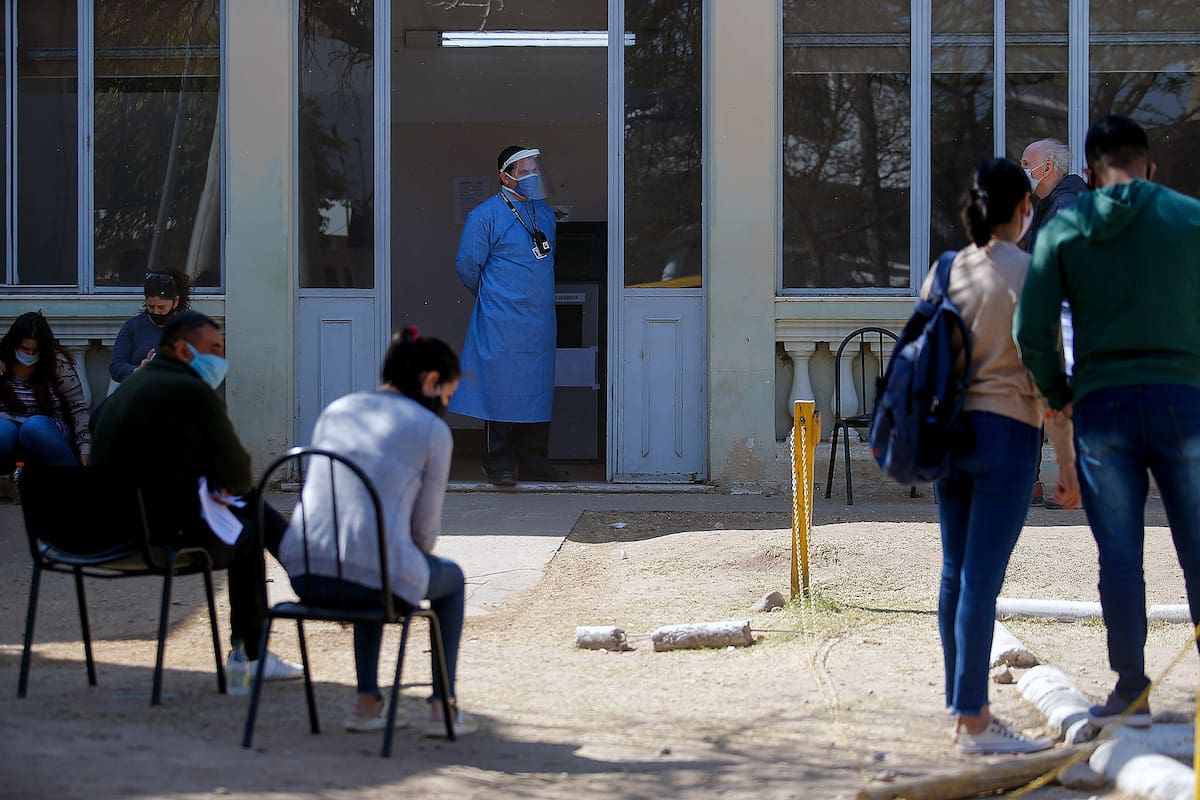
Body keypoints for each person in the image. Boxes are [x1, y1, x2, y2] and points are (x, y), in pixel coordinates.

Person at [1015, 115, 1200, 729]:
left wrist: (1059, 399)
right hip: (1184, 403)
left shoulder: (1067, 225)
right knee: (1197, 546)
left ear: (1089, 174)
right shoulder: (1188, 218)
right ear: (1150, 167)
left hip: (1102, 407)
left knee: (1119, 553)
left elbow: (1032, 329)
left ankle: (1131, 689)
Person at [932, 158, 1080, 755]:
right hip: (1009, 437)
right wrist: (1066, 463)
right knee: (980, 583)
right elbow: (1050, 379)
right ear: (1025, 209)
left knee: (953, 574)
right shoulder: (1035, 273)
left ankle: (961, 706)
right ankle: (974, 722)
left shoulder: (946, 270)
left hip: (950, 436)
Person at [279, 328, 476, 736]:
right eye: (447, 394)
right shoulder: (430, 430)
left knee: (375, 558)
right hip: (372, 582)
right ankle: (443, 708)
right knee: (446, 576)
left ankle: (367, 702)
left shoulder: (337, 409)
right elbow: (424, 535)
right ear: (428, 382)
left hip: (304, 574)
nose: (445, 405)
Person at [90, 310, 302, 681]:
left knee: (245, 501)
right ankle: (252, 651)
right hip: (156, 537)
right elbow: (237, 471)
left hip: (102, 532)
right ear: (184, 351)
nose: (220, 358)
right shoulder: (191, 391)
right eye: (214, 349)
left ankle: (304, 564)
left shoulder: (131, 388)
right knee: (247, 528)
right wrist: (221, 481)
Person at [450, 145, 568, 486]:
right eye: (524, 171)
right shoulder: (485, 215)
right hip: (500, 318)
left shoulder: (544, 214)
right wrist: (493, 298)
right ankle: (499, 461)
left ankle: (534, 459)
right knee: (499, 387)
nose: (531, 176)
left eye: (534, 170)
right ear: (505, 176)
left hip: (539, 318)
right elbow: (467, 265)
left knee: (536, 386)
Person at [1019, 139, 1088, 507]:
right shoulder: (1055, 204)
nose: (1023, 170)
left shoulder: (1066, 206)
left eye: (1027, 163)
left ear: (1048, 168)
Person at [0, 312, 91, 469]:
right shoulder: (2, 359)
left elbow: (78, 408)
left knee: (33, 426)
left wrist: (85, 447)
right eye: (25, 349)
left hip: (46, 427)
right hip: (6, 426)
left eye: (36, 351)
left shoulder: (57, 364)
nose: (30, 355)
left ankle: (76, 480)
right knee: (3, 431)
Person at [109, 270, 191, 383]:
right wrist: (137, 370)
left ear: (175, 302)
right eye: (151, 306)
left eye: (161, 307)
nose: (156, 312)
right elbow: (116, 367)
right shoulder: (133, 327)